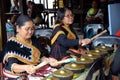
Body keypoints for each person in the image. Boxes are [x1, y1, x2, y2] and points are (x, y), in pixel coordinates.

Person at [2, 15, 58, 79]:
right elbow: (12, 66)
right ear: (17, 28)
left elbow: (40, 57)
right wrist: (26, 67)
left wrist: (48, 60)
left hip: (34, 71)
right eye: (27, 29)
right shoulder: (12, 43)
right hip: (16, 75)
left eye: (32, 29)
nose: (30, 32)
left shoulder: (34, 40)